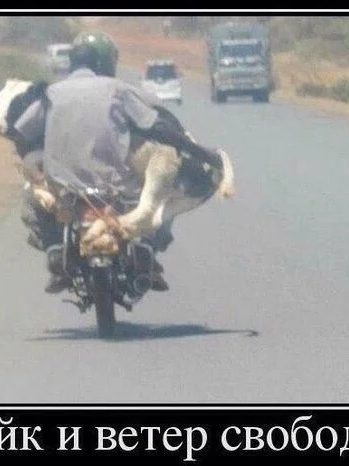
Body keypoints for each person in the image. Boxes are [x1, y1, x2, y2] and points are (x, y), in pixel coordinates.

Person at [12, 31, 225, 294]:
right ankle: (148, 249)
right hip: (119, 187)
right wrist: (198, 151)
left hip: (64, 191)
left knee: (33, 201)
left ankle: (55, 252)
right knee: (160, 195)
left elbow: (21, 133)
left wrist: (36, 163)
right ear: (105, 62)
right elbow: (155, 126)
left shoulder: (51, 94)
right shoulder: (118, 90)